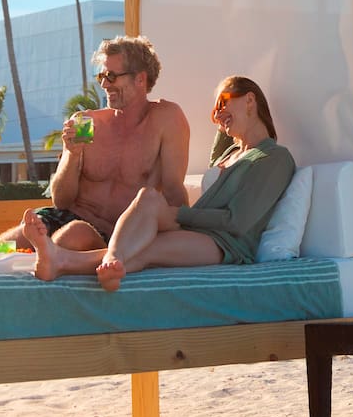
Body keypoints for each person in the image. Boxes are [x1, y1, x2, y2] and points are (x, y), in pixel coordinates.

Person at [25, 75, 296, 290]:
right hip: (198, 230)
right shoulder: (231, 154)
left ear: (250, 100)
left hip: (227, 243)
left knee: (146, 250)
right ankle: (88, 259)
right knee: (148, 197)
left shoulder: (275, 158)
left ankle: (74, 261)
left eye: (223, 102)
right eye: (215, 110)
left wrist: (179, 214)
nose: (217, 114)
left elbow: (237, 222)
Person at [18, 35, 189, 252]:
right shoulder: (86, 121)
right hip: (69, 217)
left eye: (111, 76)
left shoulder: (166, 118)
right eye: (101, 76)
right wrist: (72, 154)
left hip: (116, 235)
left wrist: (188, 242)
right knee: (12, 239)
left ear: (140, 79)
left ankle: (48, 258)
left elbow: (174, 191)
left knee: (74, 236)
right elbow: (61, 201)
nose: (103, 84)